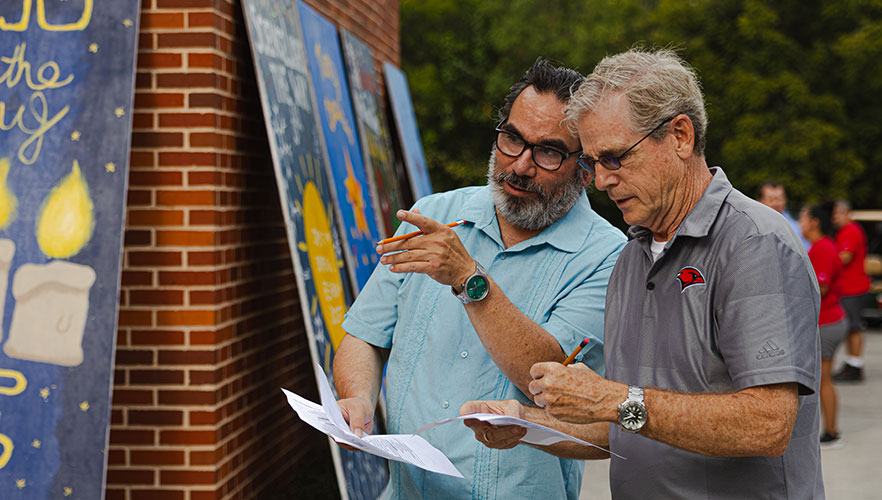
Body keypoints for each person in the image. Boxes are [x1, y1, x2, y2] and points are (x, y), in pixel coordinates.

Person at [462, 47, 824, 499]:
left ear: (680, 136)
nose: (602, 180)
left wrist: (614, 400)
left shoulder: (753, 243)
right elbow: (629, 426)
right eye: (592, 164)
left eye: (614, 158)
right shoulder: (632, 256)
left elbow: (769, 424)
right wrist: (522, 423)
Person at [332, 58, 626, 500]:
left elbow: (545, 377)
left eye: (547, 151)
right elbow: (366, 334)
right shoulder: (434, 215)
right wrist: (356, 398)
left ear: (585, 169)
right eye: (512, 139)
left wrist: (470, 278)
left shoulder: (607, 257)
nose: (521, 165)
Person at [800, 203, 848, 448]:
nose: (800, 223)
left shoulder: (823, 248)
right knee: (824, 379)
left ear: (814, 222)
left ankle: (830, 432)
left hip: (827, 321)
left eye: (803, 217)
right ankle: (830, 430)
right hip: (829, 320)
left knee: (824, 379)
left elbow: (822, 286)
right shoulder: (822, 247)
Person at [832, 199, 871, 382]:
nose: (835, 218)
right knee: (851, 328)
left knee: (854, 327)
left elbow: (845, 257)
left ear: (847, 213)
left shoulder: (850, 231)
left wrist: (827, 260)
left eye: (837, 214)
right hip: (849, 287)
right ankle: (851, 362)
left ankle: (855, 364)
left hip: (852, 288)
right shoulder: (847, 231)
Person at [758, 181, 810, 249]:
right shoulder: (754, 227)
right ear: (759, 201)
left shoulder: (797, 229)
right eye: (771, 200)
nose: (776, 203)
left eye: (780, 199)